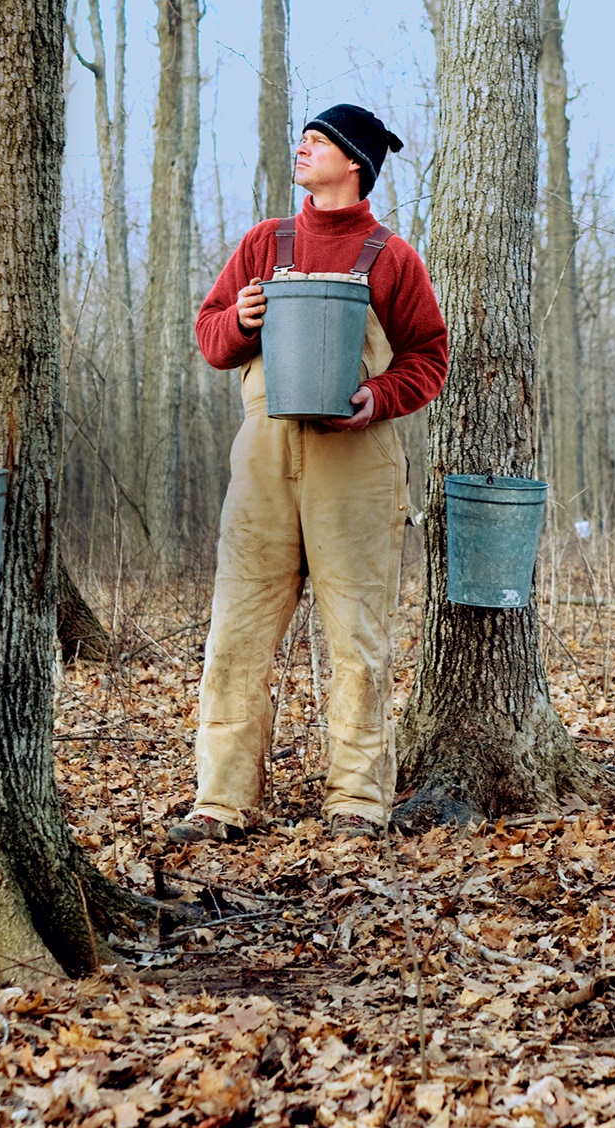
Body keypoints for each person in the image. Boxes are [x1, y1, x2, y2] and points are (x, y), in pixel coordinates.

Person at [168, 104, 448, 844]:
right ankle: (221, 799)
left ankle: (357, 797)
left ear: (354, 162)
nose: (303, 147)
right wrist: (241, 320)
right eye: (303, 137)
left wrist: (377, 398)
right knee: (237, 633)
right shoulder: (266, 243)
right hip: (262, 464)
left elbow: (429, 358)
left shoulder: (393, 257)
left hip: (356, 465)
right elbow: (210, 337)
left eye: (318, 140)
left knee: (356, 639)